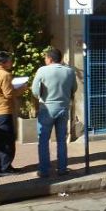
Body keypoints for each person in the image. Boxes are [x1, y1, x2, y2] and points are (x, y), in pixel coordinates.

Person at [31, 47, 77, 178]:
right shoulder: (69, 71)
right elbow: (74, 88)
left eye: (45, 57)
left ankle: (44, 170)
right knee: (61, 140)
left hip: (47, 108)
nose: (45, 60)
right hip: (63, 108)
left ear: (50, 59)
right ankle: (62, 169)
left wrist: (42, 96)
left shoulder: (42, 70)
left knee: (43, 141)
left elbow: (34, 90)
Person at [0, 51, 26, 176]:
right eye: (10, 61)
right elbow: (9, 94)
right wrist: (22, 89)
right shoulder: (4, 74)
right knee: (7, 141)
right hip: (4, 110)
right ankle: (5, 167)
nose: (11, 63)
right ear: (3, 63)